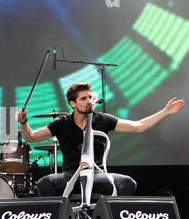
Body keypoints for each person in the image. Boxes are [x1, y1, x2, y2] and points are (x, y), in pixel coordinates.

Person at [17, 82, 185, 198]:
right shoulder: (62, 123)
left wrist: (165, 111)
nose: (89, 101)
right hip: (71, 176)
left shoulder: (103, 119)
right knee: (45, 183)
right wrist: (24, 122)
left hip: (97, 174)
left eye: (90, 97)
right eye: (83, 99)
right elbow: (31, 137)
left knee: (127, 183)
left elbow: (138, 126)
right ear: (72, 103)